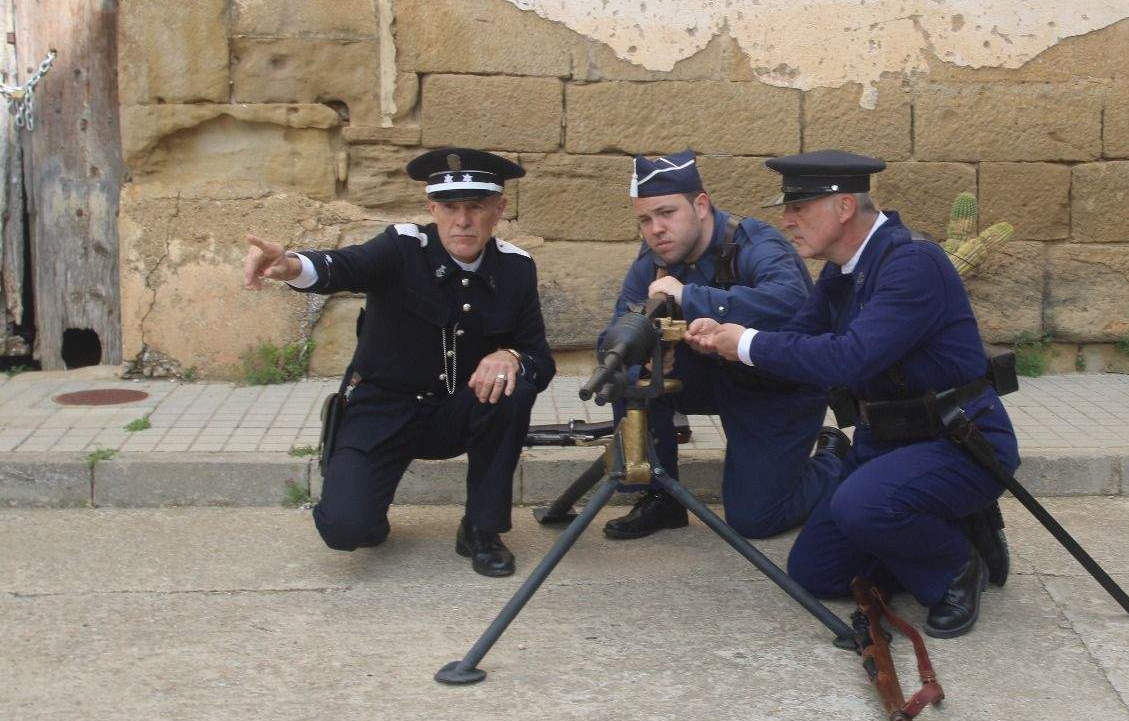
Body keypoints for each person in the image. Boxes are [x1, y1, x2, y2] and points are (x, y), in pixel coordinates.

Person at [683, 150, 1016, 638]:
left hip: (957, 442)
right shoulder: (841, 274)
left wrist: (748, 343)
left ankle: (956, 566)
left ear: (843, 207)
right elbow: (795, 346)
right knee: (816, 572)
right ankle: (940, 526)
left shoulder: (913, 264)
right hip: (885, 445)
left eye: (799, 208)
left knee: (862, 506)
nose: (786, 220)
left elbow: (850, 358)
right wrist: (723, 343)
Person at [242, 147, 556, 577]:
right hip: (383, 409)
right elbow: (343, 266)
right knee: (346, 529)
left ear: (498, 210)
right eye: (450, 207)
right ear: (432, 209)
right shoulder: (402, 247)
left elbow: (540, 360)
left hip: (456, 412)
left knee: (511, 389)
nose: (462, 221)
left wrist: (511, 356)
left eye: (475, 207)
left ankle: (481, 530)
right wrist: (292, 265)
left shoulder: (516, 268)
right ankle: (364, 508)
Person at [600, 150, 847, 541]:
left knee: (755, 519)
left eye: (667, 213)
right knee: (626, 373)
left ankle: (834, 460)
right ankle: (660, 498)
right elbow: (615, 334)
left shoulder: (755, 243)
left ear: (701, 206)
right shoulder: (653, 261)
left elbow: (792, 303)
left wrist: (690, 296)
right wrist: (645, 359)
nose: (656, 229)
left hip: (774, 388)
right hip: (710, 379)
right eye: (645, 220)